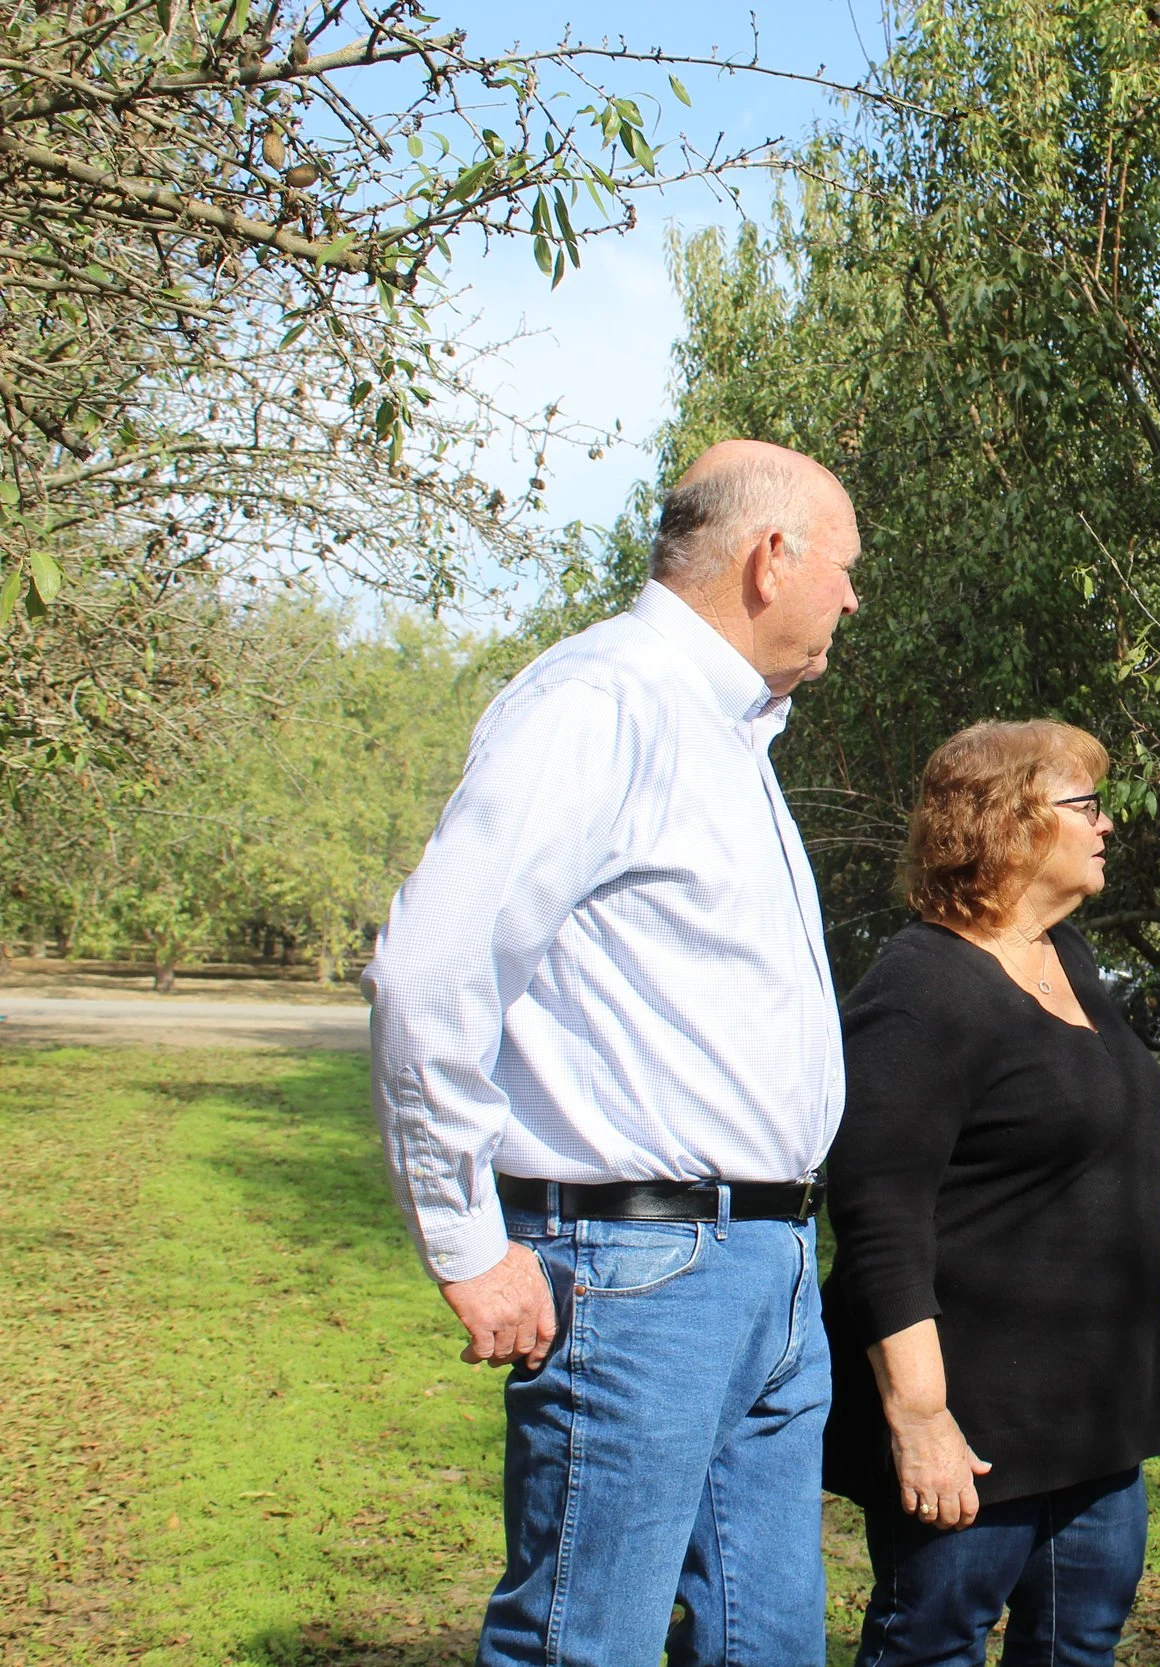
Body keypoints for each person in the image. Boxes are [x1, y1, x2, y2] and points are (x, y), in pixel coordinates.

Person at [363, 440, 861, 1667]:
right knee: (588, 1639)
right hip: (637, 1262)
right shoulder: (605, 700)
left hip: (766, 1259)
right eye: (846, 569)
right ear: (770, 557)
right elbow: (433, 969)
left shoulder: (730, 733)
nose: (852, 599)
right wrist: (469, 1243)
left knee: (769, 1640)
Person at [822, 719, 1160, 1667]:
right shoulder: (921, 988)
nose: (1107, 825)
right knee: (931, 1645)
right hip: (974, 1433)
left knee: (1077, 1647)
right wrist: (921, 1417)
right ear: (1009, 823)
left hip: (1094, 1424)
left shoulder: (1073, 961)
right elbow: (878, 1221)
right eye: (1084, 805)